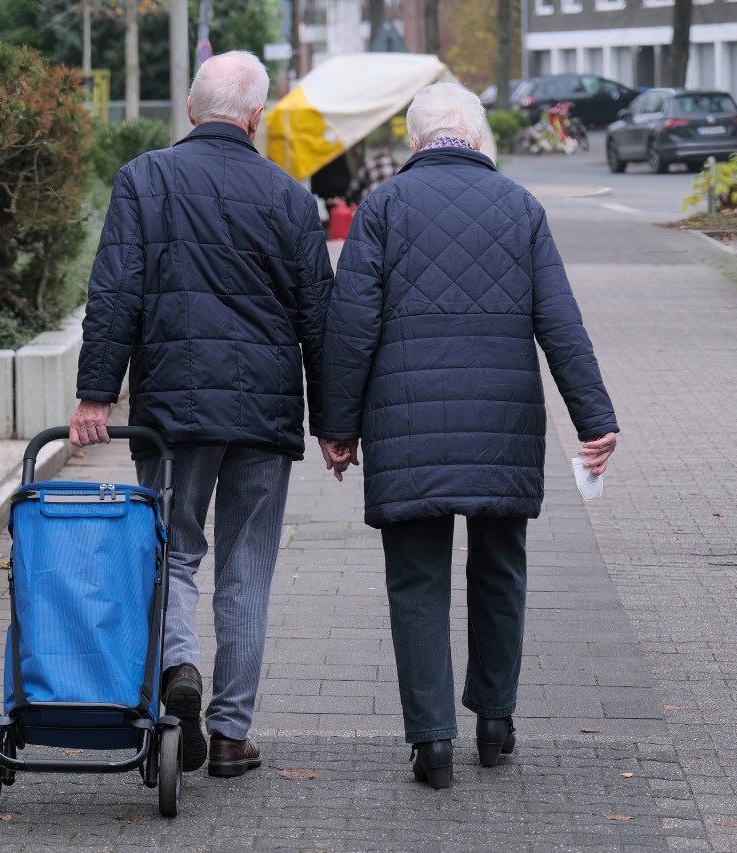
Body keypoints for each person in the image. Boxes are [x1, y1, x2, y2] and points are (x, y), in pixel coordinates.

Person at [318, 82, 618, 790]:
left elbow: (351, 324)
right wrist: (595, 420)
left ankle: (433, 744)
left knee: (417, 578)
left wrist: (338, 427)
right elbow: (561, 323)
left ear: (415, 141)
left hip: (407, 426)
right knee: (500, 568)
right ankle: (494, 721)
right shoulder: (521, 207)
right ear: (478, 140)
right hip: (503, 423)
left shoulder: (384, 208)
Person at [69, 51, 335, 778]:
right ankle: (229, 734)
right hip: (263, 413)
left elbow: (116, 291)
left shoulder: (144, 179)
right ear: (255, 118)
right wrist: (335, 425)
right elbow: (321, 318)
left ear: (191, 109)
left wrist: (96, 393)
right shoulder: (288, 197)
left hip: (174, 413)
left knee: (174, 551)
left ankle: (179, 666)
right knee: (248, 568)